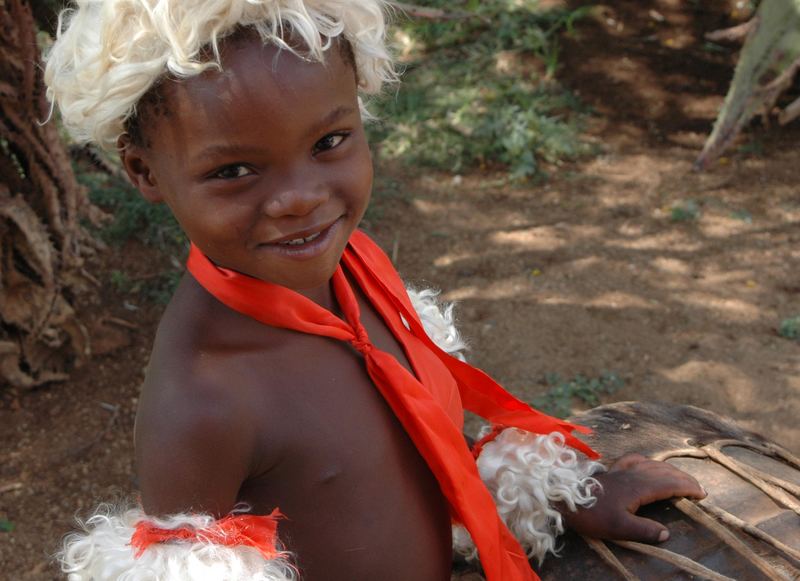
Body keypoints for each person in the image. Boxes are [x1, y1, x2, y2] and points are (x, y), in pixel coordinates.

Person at [45, 1, 705, 580]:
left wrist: (563, 491)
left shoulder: (360, 276)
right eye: (235, 170)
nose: (301, 199)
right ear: (144, 171)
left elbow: (422, 448)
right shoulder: (204, 400)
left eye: (329, 140)